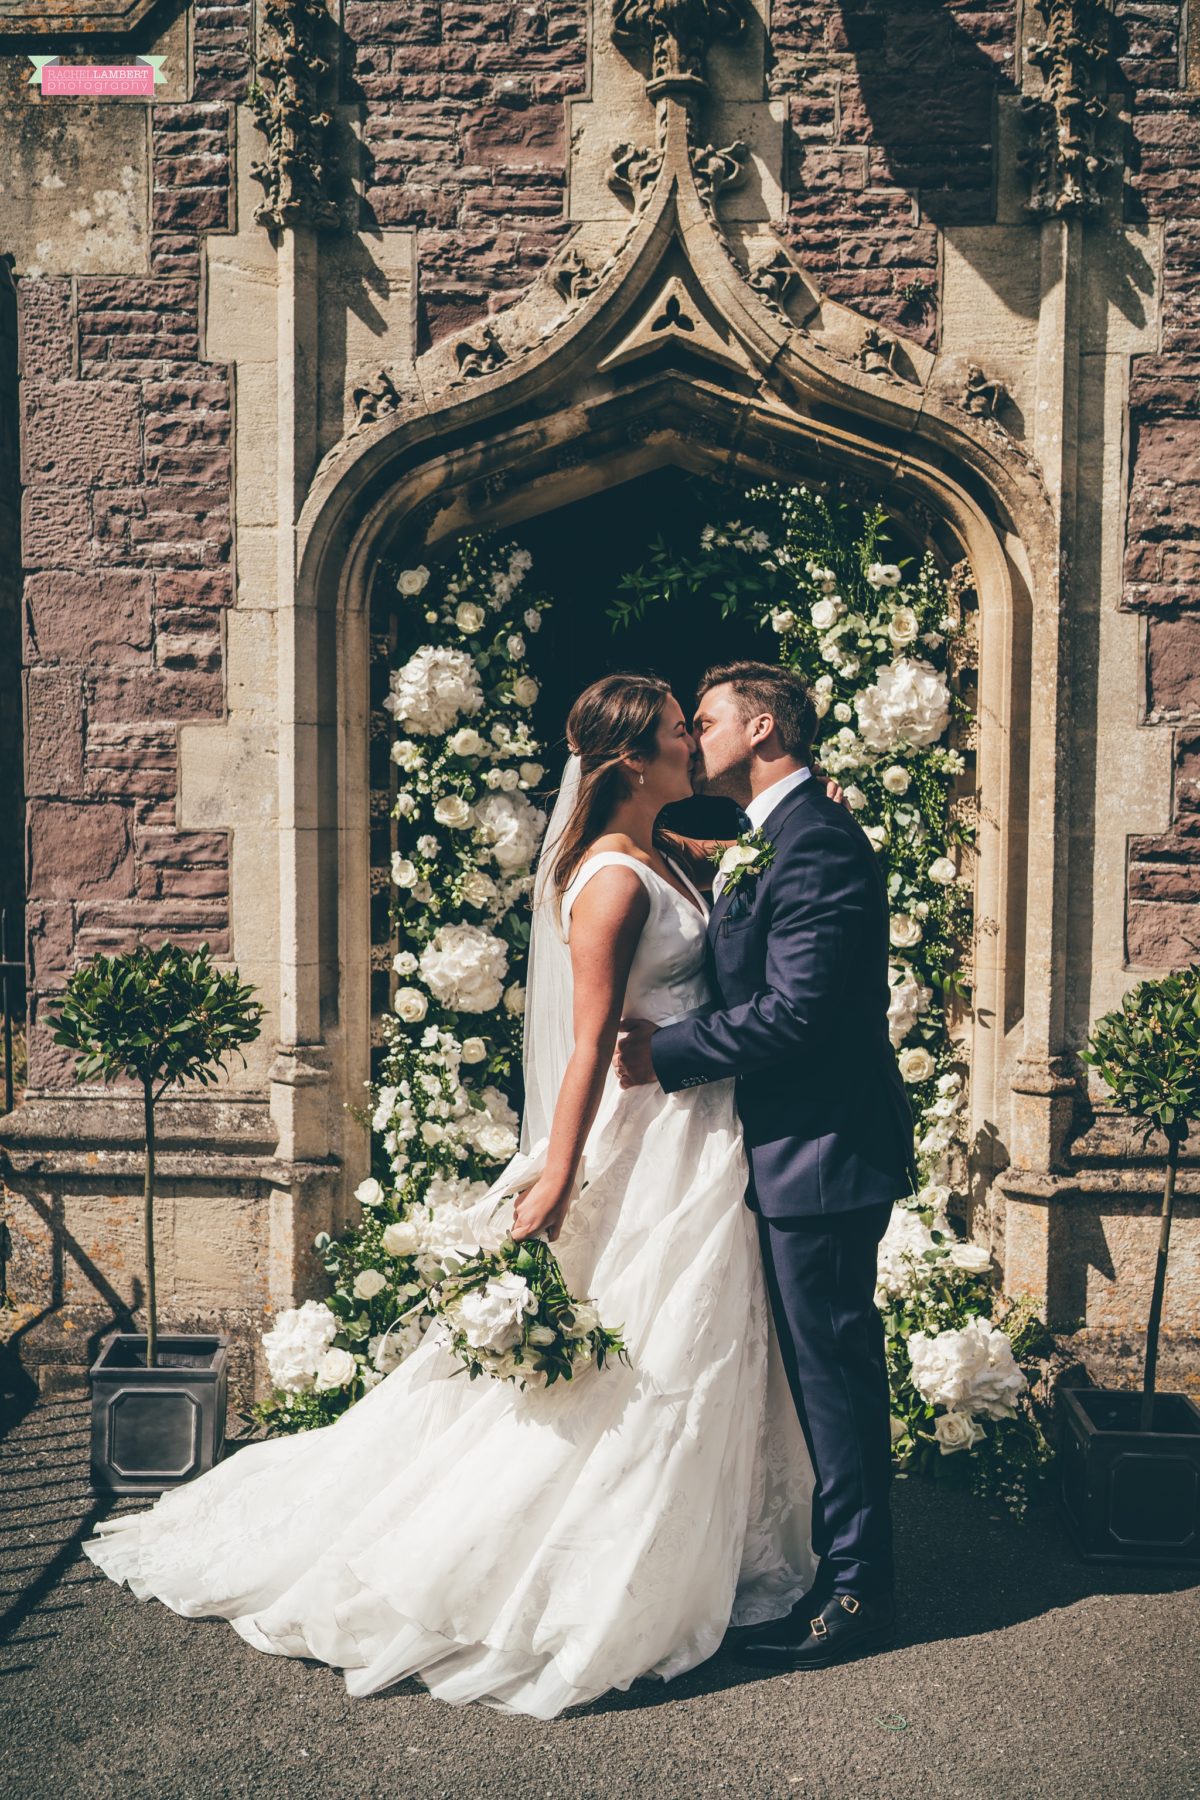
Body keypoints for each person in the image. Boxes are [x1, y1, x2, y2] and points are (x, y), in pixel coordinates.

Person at [80, 671, 822, 1720]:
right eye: (672, 737)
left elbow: (724, 902)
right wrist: (557, 1172)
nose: (690, 751)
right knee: (638, 1353)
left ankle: (696, 1541)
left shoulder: (663, 855)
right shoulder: (610, 882)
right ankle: (566, 1559)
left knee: (692, 1343)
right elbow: (584, 1048)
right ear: (628, 765)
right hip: (643, 1134)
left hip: (699, 1133)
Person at [614, 661, 917, 1670]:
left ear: (763, 730)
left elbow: (800, 1010)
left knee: (834, 1375)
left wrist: (668, 1057)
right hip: (792, 1151)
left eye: (706, 722)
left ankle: (860, 1592)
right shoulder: (780, 834)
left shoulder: (817, 843)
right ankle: (835, 1569)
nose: (693, 739)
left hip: (824, 1154)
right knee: (819, 1372)